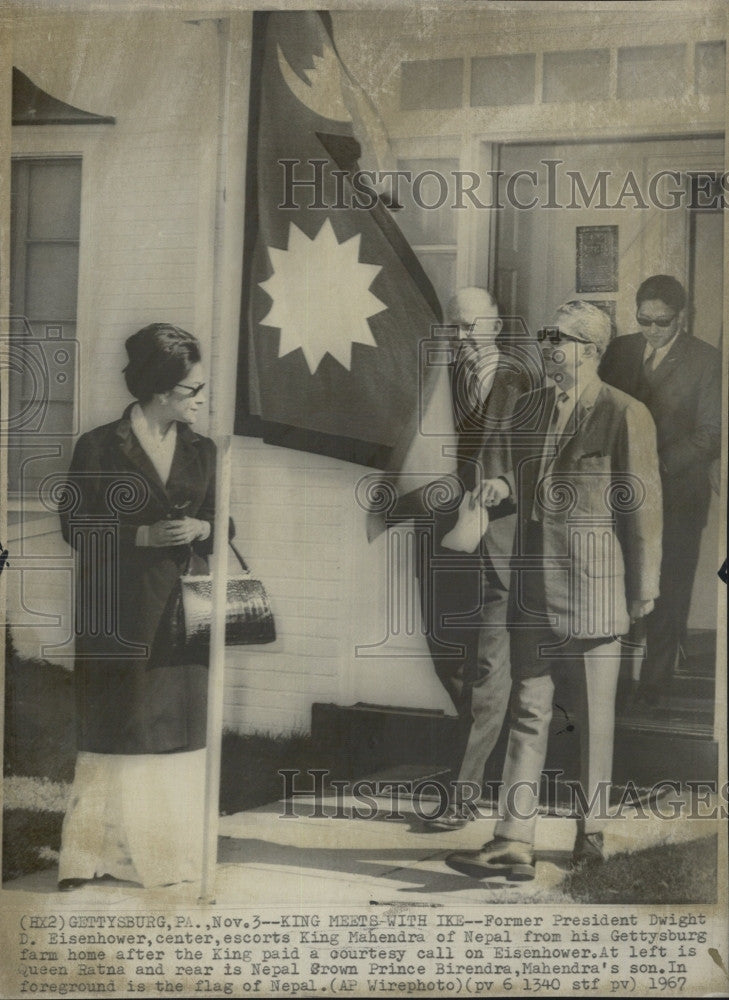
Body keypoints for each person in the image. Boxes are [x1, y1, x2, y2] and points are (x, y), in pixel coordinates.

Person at [445, 301, 662, 880]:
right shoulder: (534, 406)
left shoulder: (624, 413)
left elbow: (641, 508)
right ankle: (514, 841)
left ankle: (592, 837)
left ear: (590, 351)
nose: (546, 347)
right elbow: (526, 480)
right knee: (527, 710)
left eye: (558, 339)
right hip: (533, 588)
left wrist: (643, 589)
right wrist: (497, 485)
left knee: (594, 719)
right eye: (545, 337)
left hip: (595, 590)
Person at [57, 323, 220, 890]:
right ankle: (95, 854)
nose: (202, 399)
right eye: (192, 389)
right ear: (159, 389)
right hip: (118, 613)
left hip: (181, 613)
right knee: (117, 726)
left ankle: (165, 858)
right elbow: (74, 526)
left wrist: (201, 525)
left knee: (172, 729)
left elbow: (223, 525)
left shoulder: (203, 450)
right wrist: (140, 538)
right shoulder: (99, 446)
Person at [420, 287, 541, 830]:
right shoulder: (435, 384)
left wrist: (505, 482)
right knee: (447, 654)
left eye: (473, 327)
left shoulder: (525, 383)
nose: (464, 339)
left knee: (490, 668)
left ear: (495, 324)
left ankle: (462, 793)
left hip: (498, 545)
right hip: (444, 538)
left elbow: (547, 461)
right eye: (455, 328)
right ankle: (474, 759)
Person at [599, 275, 722, 706]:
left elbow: (710, 434)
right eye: (644, 320)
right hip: (621, 493)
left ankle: (654, 685)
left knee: (669, 586)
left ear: (681, 318)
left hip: (677, 493)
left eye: (662, 322)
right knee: (618, 581)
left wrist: (655, 465)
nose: (651, 330)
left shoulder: (707, 361)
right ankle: (610, 681)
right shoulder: (619, 350)